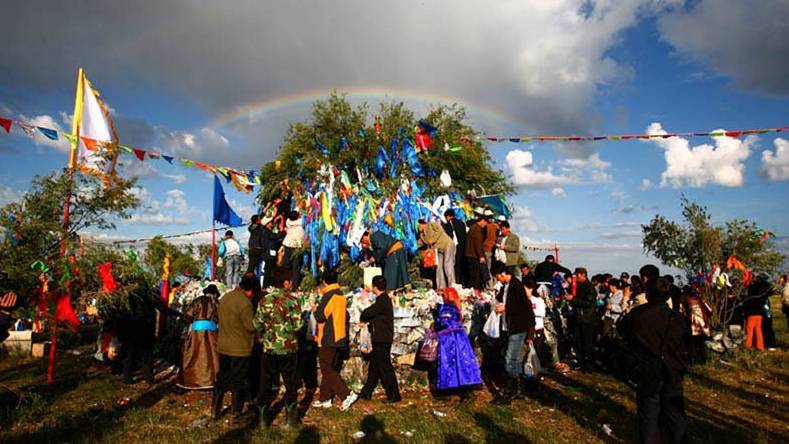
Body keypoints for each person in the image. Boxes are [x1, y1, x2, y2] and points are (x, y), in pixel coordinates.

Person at [618, 277, 690, 444]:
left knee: (649, 415)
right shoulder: (677, 318)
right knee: (675, 413)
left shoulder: (637, 314)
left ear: (648, 294)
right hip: (672, 369)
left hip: (646, 369)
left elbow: (622, 333)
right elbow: (685, 344)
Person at [253, 268, 302, 428]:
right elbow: (298, 325)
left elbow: (257, 323)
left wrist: (266, 333)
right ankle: (291, 420)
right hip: (289, 349)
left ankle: (262, 420)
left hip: (269, 349)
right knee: (290, 384)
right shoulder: (293, 301)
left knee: (265, 383)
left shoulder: (264, 300)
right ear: (286, 283)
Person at [311, 269, 358, 411]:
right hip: (339, 336)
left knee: (326, 369)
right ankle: (325, 398)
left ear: (324, 282)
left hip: (328, 337)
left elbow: (320, 316)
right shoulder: (341, 296)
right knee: (330, 368)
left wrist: (314, 308)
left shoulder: (329, 296)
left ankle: (346, 395)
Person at [213, 274, 258, 420]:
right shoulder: (245, 303)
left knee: (222, 379)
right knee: (238, 381)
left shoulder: (225, 297)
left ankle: (215, 409)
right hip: (239, 349)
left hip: (223, 346)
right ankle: (236, 412)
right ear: (250, 290)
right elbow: (250, 326)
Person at [490, 261, 536, 403]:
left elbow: (522, 307)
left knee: (510, 359)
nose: (497, 279)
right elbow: (501, 299)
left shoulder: (516, 286)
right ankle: (518, 389)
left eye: (497, 276)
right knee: (514, 359)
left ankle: (508, 392)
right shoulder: (506, 286)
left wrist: (506, 309)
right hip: (509, 327)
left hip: (518, 327)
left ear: (503, 274)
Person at [433, 287, 482, 399]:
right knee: (462, 362)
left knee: (449, 363)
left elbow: (443, 322)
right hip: (460, 339)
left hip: (448, 339)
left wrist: (436, 323)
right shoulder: (457, 308)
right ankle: (465, 388)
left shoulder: (445, 309)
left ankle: (447, 388)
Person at [359, 275, 401, 403]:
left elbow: (367, 313)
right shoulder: (384, 300)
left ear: (374, 287)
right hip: (381, 337)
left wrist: (364, 317)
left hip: (382, 338)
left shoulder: (382, 301)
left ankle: (394, 394)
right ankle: (367, 392)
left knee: (385, 367)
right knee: (375, 367)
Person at [179, 284, 220, 390]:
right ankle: (211, 380)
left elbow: (188, 315)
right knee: (212, 356)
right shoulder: (216, 303)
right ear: (215, 294)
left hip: (196, 333)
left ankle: (192, 379)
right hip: (212, 332)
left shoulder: (198, 300)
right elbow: (220, 317)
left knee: (193, 354)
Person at [117, 285, 156, 385]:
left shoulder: (124, 301)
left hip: (129, 333)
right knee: (146, 357)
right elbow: (158, 310)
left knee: (129, 356)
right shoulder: (147, 300)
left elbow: (118, 317)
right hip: (144, 332)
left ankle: (128, 379)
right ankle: (149, 378)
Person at [571, 267, 597, 372]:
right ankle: (581, 364)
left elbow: (588, 303)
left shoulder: (589, 287)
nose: (576, 278)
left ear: (583, 275)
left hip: (586, 318)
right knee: (578, 342)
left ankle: (588, 365)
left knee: (587, 343)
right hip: (579, 318)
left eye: (577, 275)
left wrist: (573, 299)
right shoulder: (581, 286)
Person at [418, 219, 456, 290]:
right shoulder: (422, 236)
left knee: (447, 266)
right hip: (438, 249)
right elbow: (419, 243)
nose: (418, 228)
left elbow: (440, 230)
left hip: (447, 244)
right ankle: (441, 287)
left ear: (421, 224)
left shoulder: (431, 224)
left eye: (418, 226)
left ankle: (452, 286)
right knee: (439, 268)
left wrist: (433, 239)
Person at [744, 275, 770, 350]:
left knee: (750, 331)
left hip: (751, 314)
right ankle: (760, 346)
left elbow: (747, 303)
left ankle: (748, 346)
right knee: (758, 330)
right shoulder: (761, 294)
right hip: (759, 313)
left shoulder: (751, 293)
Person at [442, 209, 467, 286]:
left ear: (448, 216)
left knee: (454, 265)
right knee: (461, 265)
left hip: (453, 248)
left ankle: (455, 283)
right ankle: (462, 283)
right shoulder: (462, 223)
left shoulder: (448, 225)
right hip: (462, 247)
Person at [282, 210, 305, 290]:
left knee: (286, 265)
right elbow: (305, 219)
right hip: (296, 247)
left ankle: (286, 282)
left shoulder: (288, 223)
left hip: (288, 245)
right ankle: (294, 287)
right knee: (296, 268)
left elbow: (289, 219)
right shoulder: (302, 223)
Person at [261, 217, 286, 288]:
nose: (272, 224)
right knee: (268, 271)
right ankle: (265, 286)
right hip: (268, 254)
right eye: (271, 223)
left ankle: (269, 285)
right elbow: (275, 237)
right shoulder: (266, 232)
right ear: (267, 224)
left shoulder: (269, 231)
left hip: (271, 254)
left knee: (271, 270)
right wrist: (283, 232)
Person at [464, 216, 487, 290]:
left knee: (472, 275)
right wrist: (481, 256)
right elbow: (478, 243)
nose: (485, 225)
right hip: (474, 255)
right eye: (485, 222)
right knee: (475, 276)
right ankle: (472, 291)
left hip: (469, 254)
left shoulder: (473, 227)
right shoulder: (477, 229)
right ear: (482, 220)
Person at [482, 210, 498, 286]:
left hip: (486, 249)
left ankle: (489, 285)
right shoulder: (496, 226)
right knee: (491, 269)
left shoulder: (485, 226)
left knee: (486, 269)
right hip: (493, 250)